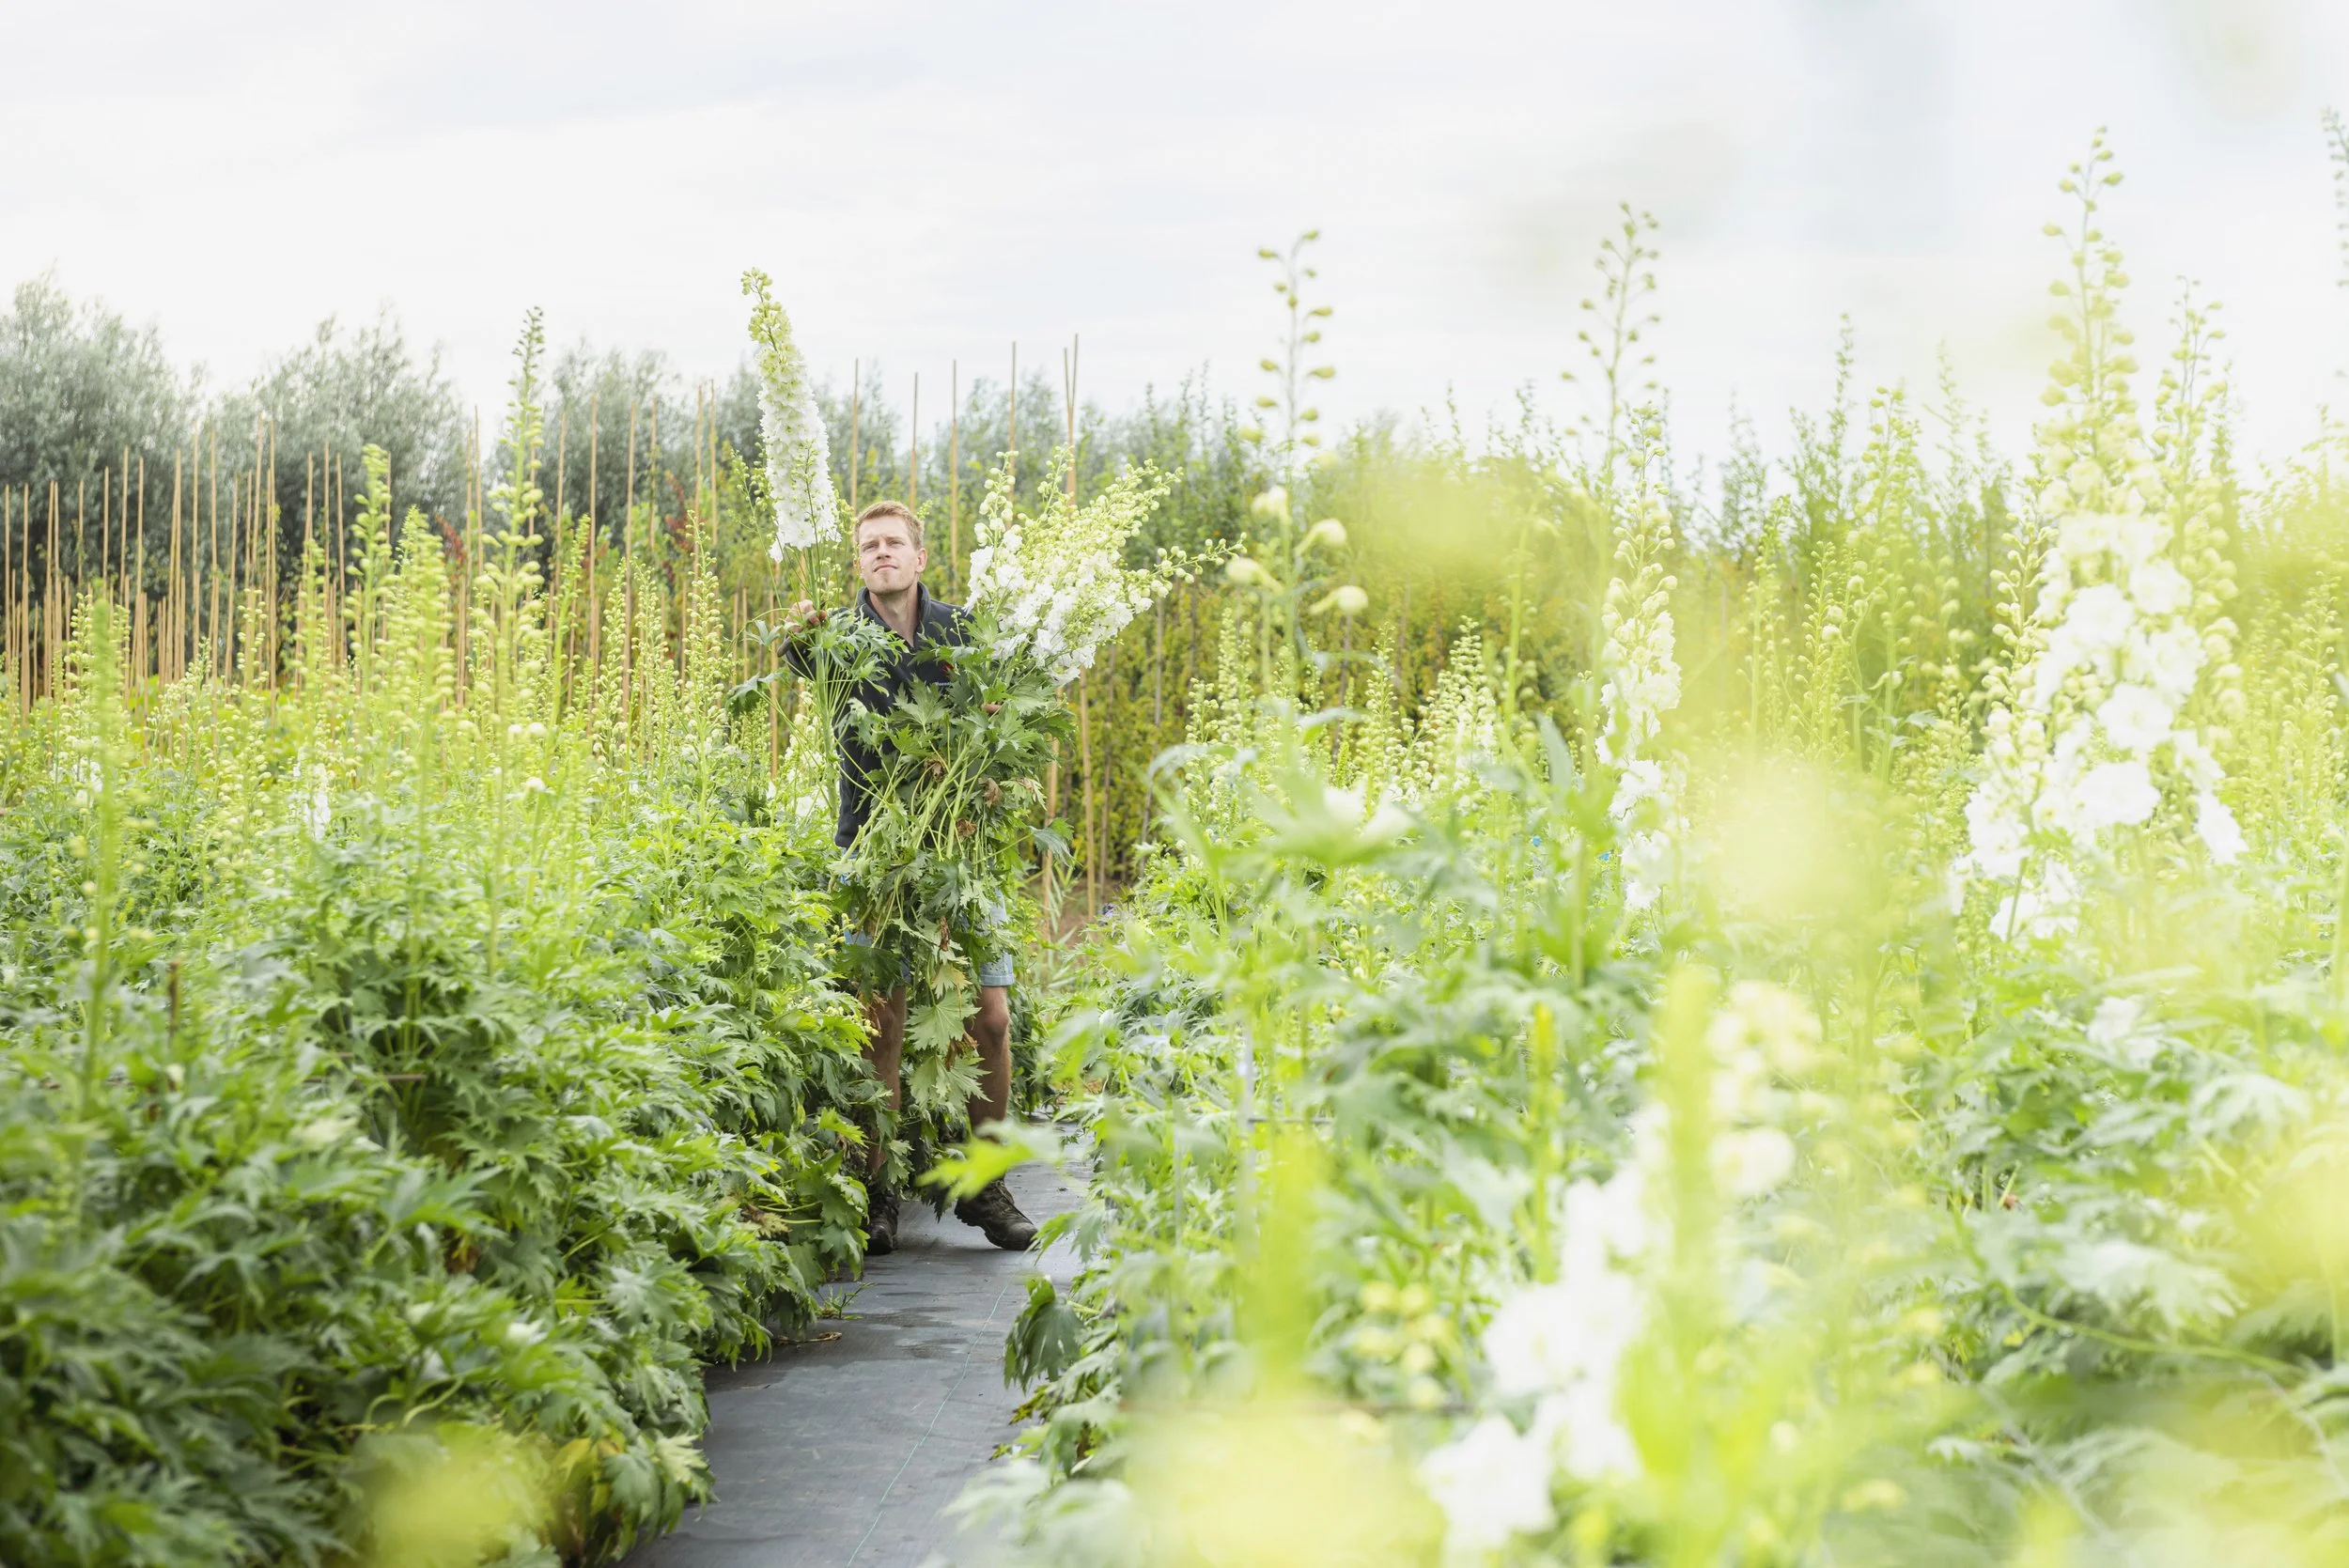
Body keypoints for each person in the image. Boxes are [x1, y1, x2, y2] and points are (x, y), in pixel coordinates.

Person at [785, 500, 1037, 1256]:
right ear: (858, 561)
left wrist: (989, 782)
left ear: (920, 557)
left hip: (962, 850)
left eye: (895, 543)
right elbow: (797, 656)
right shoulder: (832, 637)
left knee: (988, 1018)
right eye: (870, 546)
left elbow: (1001, 729)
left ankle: (987, 1185)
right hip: (873, 852)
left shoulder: (962, 633)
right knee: (882, 1023)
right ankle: (876, 1188)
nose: (882, 554)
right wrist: (798, 634)